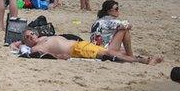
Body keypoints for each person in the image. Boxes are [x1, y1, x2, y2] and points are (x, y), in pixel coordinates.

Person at [17, 29, 161, 64]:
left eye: (31, 34)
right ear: (26, 42)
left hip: (82, 44)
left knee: (123, 31)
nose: (31, 36)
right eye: (27, 38)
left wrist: (15, 43)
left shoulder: (42, 38)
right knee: (109, 53)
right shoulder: (36, 48)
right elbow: (46, 56)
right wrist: (60, 57)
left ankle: (133, 56)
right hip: (77, 50)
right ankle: (143, 60)